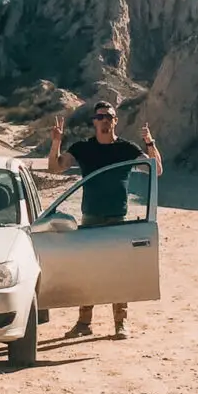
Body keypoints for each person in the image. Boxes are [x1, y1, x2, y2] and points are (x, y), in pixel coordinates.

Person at [47, 101, 163, 339]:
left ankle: (121, 323)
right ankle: (83, 323)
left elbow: (156, 169)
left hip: (118, 217)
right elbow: (55, 168)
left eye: (108, 116)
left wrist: (150, 143)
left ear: (115, 121)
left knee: (118, 270)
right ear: (94, 121)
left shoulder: (126, 149)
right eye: (99, 117)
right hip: (91, 216)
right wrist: (56, 141)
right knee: (88, 269)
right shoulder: (83, 148)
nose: (104, 120)